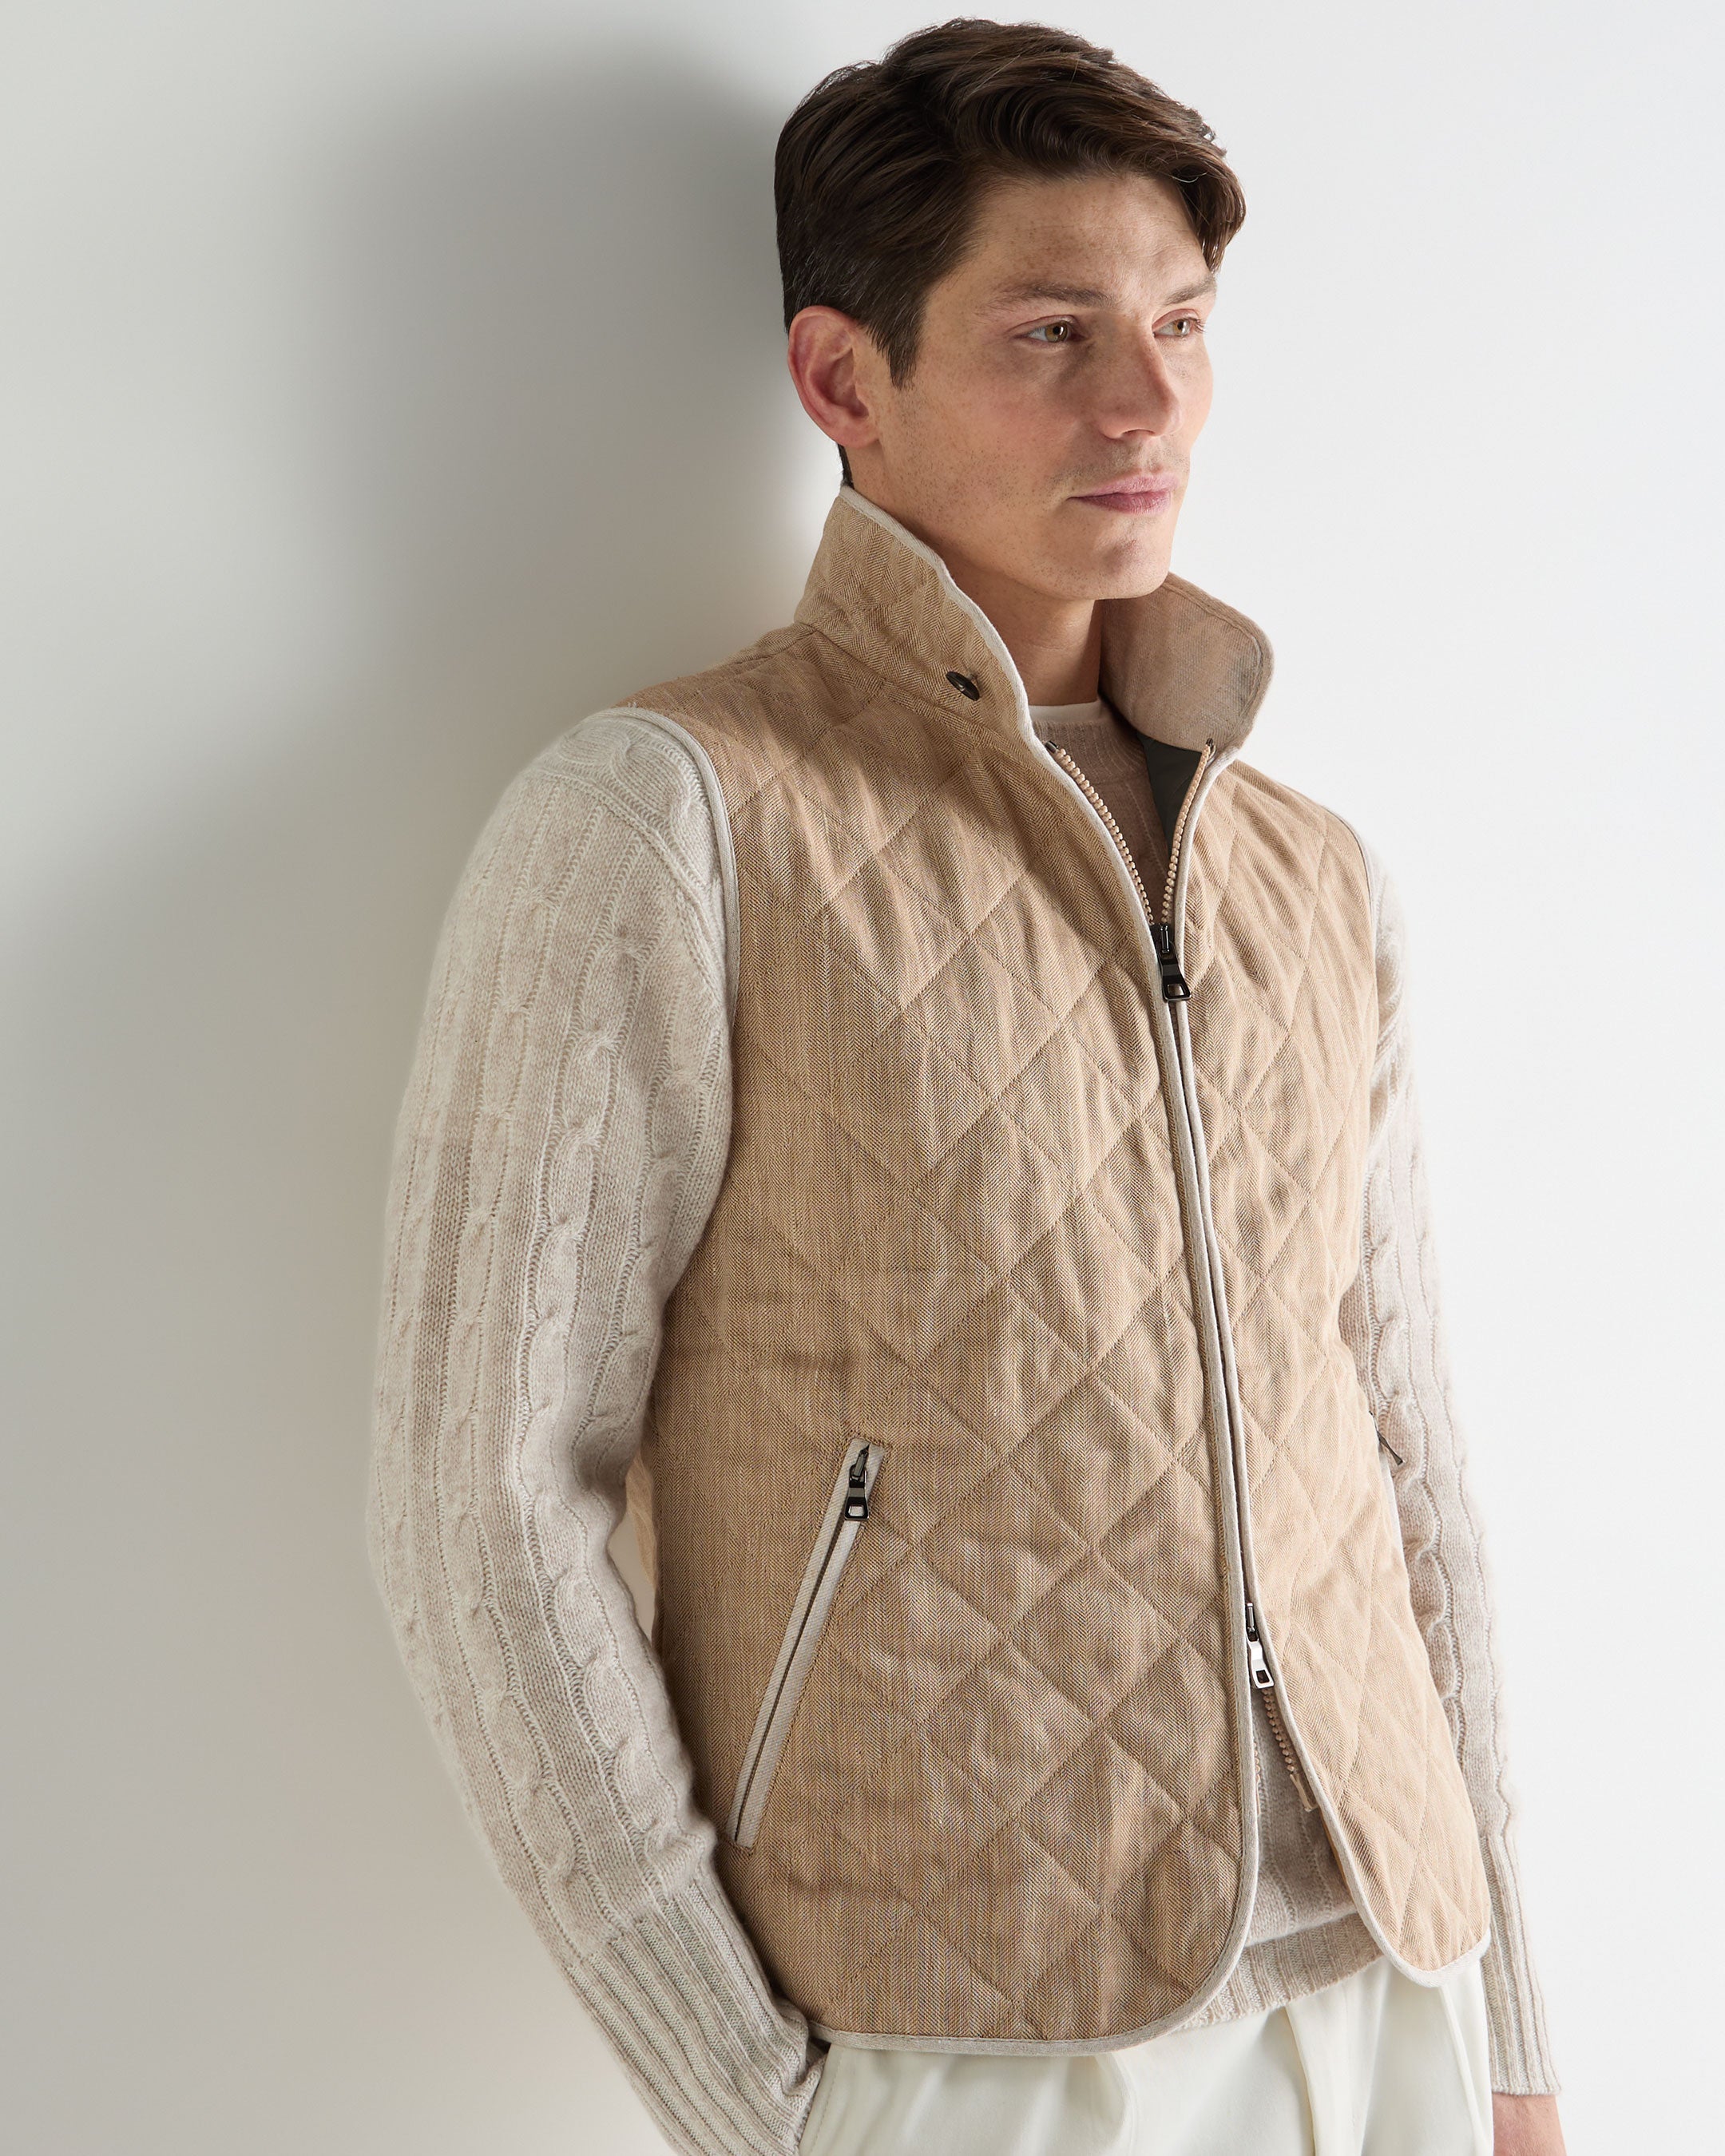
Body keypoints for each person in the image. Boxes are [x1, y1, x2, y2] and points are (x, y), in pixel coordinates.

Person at [365, 21, 1566, 2154]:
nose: (1146, 405)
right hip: (964, 2036)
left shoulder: (1312, 874)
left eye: (1181, 325)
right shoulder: (670, 817)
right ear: (844, 381)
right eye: (1051, 332)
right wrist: (756, 2103)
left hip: (1384, 1988)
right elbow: (482, 1502)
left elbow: (1408, 1457)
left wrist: (1513, 2037)